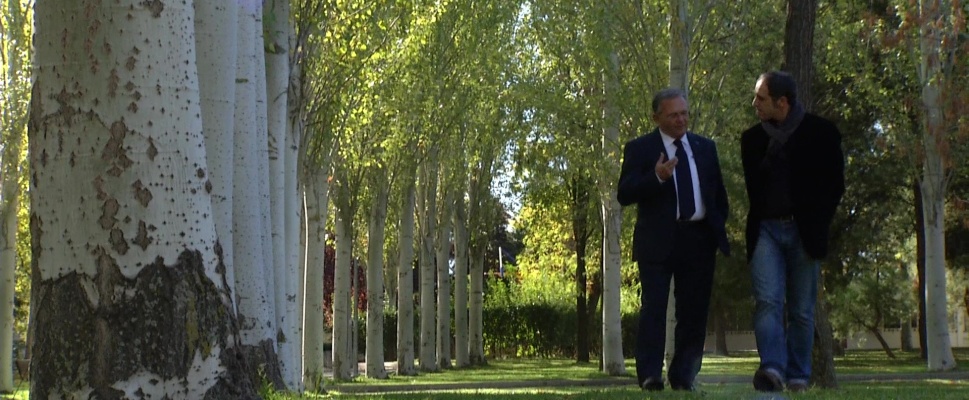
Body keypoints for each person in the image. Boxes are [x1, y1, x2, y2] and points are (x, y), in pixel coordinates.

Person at [618, 88, 730, 392]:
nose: (681, 120)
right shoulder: (640, 148)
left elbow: (718, 194)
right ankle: (651, 376)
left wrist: (715, 226)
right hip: (657, 241)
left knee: (693, 313)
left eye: (684, 113)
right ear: (656, 118)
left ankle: (684, 376)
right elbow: (624, 193)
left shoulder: (705, 148)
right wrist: (656, 178)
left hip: (698, 240)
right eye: (673, 115)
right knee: (653, 310)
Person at [741, 71, 845, 393]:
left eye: (761, 98)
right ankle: (772, 369)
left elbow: (834, 186)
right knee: (768, 302)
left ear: (781, 102)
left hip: (804, 233)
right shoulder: (752, 140)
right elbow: (754, 192)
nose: (754, 103)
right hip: (766, 232)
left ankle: (799, 376)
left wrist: (816, 223)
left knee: (801, 310)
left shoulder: (822, 133)